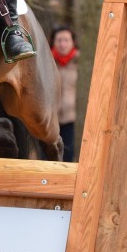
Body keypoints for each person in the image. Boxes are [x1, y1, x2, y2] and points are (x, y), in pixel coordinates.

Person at [49, 25, 78, 162]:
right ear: (53, 42)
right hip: (49, 119)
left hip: (71, 119)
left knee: (68, 157)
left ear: (73, 42)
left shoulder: (80, 62)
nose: (62, 44)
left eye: (66, 40)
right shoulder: (46, 60)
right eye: (59, 40)